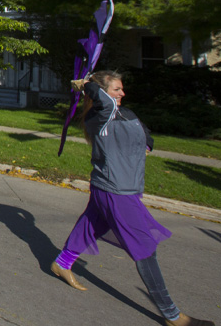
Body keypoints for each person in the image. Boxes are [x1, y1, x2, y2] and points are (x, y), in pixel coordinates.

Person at [50, 71, 214, 326]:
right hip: (116, 191)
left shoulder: (125, 113)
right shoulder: (99, 116)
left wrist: (147, 144)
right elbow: (102, 100)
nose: (122, 93)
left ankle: (62, 263)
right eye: (117, 89)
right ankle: (172, 316)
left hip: (120, 187)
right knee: (144, 248)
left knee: (92, 224)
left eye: (122, 89)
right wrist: (87, 86)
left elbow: (146, 134)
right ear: (102, 92)